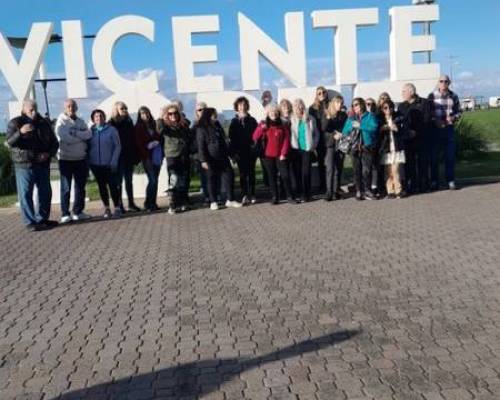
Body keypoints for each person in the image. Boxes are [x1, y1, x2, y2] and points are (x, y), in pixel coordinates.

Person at [6, 100, 59, 231]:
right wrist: (20, 132)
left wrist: (48, 154)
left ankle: (42, 219)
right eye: (31, 109)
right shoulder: (15, 123)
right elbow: (9, 142)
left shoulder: (44, 123)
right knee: (25, 194)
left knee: (45, 193)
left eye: (35, 108)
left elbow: (54, 142)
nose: (34, 112)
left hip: (42, 164)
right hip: (25, 165)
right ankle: (30, 222)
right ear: (24, 110)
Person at [196, 108, 242, 211]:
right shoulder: (201, 128)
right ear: (208, 115)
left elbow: (225, 141)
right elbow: (200, 145)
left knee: (229, 175)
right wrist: (203, 160)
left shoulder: (217, 125)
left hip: (223, 156)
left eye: (215, 114)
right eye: (213, 114)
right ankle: (213, 202)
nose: (215, 116)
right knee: (211, 179)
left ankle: (230, 199)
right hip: (210, 158)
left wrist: (231, 155)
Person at [55, 99, 92, 223]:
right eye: (68, 106)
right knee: (66, 188)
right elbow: (65, 138)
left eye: (73, 106)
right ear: (64, 108)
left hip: (80, 159)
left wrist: (75, 133)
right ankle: (65, 213)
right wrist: (80, 136)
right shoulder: (61, 122)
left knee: (80, 187)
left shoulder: (81, 121)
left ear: (76, 107)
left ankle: (78, 212)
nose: (71, 108)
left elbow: (88, 134)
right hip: (65, 160)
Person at [252, 104, 295, 205]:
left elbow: (286, 140)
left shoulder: (282, 124)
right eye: (271, 112)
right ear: (268, 113)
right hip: (267, 156)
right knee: (272, 177)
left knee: (285, 176)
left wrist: (283, 153)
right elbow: (254, 136)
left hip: (280, 155)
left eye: (275, 112)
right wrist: (262, 128)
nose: (274, 114)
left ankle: (289, 196)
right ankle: (275, 197)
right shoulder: (263, 123)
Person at [428, 75, 462, 190]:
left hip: (449, 129)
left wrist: (453, 118)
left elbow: (459, 112)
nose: (443, 83)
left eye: (445, 81)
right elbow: (428, 113)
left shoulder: (454, 96)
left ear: (449, 83)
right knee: (434, 157)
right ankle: (434, 181)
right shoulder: (432, 96)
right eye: (441, 81)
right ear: (438, 83)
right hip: (435, 130)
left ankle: (450, 180)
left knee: (450, 157)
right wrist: (435, 121)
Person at [342, 98, 379, 201]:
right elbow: (345, 131)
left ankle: (367, 190)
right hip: (354, 147)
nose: (356, 107)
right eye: (354, 105)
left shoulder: (370, 115)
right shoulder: (351, 118)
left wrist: (361, 126)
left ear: (362, 104)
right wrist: (350, 130)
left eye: (357, 104)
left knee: (366, 170)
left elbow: (374, 127)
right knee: (356, 170)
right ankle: (359, 191)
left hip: (366, 146)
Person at [398, 83, 432, 193]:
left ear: (411, 92)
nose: (402, 93)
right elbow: (400, 122)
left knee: (423, 163)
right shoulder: (401, 106)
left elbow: (427, 119)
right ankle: (413, 185)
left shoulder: (424, 103)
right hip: (408, 140)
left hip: (422, 138)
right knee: (410, 163)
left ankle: (424, 185)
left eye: (404, 91)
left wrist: (416, 132)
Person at [88, 109, 122, 218]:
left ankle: (117, 208)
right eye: (96, 116)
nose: (99, 118)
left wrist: (114, 161)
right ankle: (107, 208)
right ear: (93, 119)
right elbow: (87, 148)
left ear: (104, 117)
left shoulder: (112, 130)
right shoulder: (90, 132)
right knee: (102, 187)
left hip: (109, 164)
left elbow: (117, 146)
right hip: (96, 165)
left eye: (101, 116)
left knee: (113, 186)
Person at [159, 104, 192, 214]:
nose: (173, 115)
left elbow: (188, 132)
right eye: (170, 113)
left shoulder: (183, 124)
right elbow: (159, 129)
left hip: (184, 155)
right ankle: (172, 204)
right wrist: (162, 117)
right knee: (174, 179)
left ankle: (182, 202)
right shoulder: (164, 125)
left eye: (175, 113)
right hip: (172, 155)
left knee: (183, 179)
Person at [109, 101, 141, 212]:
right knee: (119, 182)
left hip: (129, 156)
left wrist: (135, 155)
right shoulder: (111, 123)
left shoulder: (129, 121)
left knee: (129, 181)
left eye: (126, 108)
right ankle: (120, 205)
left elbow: (133, 139)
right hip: (118, 157)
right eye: (122, 108)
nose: (125, 110)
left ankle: (131, 204)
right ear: (116, 110)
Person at [229, 96, 258, 204]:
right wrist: (233, 153)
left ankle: (253, 194)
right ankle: (244, 194)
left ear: (247, 106)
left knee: (251, 173)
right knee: (242, 174)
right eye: (240, 105)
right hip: (240, 153)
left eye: (244, 104)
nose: (242, 107)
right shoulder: (234, 122)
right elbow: (231, 138)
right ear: (237, 107)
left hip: (251, 152)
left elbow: (256, 136)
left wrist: (254, 147)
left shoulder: (252, 120)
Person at [289, 99, 319, 202]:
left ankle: (306, 194)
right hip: (295, 150)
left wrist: (313, 146)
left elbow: (316, 134)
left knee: (306, 172)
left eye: (301, 106)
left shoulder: (310, 119)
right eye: (297, 106)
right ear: (294, 108)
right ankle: (299, 193)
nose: (299, 108)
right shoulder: (291, 119)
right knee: (296, 173)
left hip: (307, 149)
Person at [135, 106, 163, 212]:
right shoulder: (138, 127)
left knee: (155, 180)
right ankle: (148, 203)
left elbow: (158, 136)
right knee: (152, 180)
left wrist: (156, 140)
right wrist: (147, 148)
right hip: (146, 157)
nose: (145, 115)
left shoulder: (153, 124)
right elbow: (138, 143)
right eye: (142, 113)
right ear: (139, 115)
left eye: (146, 113)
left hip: (156, 156)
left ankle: (153, 203)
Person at [322, 96, 348, 201]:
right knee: (330, 168)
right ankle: (329, 192)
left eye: (341, 103)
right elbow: (324, 128)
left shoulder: (343, 115)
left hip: (341, 143)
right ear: (333, 103)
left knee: (339, 168)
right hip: (330, 144)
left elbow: (346, 128)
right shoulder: (327, 113)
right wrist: (333, 133)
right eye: (338, 103)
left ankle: (336, 191)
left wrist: (341, 133)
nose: (340, 105)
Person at [379, 100, 406, 199]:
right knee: (388, 171)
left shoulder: (398, 118)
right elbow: (378, 132)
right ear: (382, 109)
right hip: (386, 148)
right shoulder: (380, 119)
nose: (388, 110)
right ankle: (390, 191)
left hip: (396, 147)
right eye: (385, 108)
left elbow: (403, 130)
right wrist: (382, 129)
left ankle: (398, 190)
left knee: (396, 170)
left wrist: (396, 128)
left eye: (390, 107)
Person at [308, 86, 329, 192]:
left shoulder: (330, 105)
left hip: (329, 137)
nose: (322, 94)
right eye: (319, 93)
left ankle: (331, 185)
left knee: (330, 163)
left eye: (323, 92)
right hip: (319, 138)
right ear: (316, 95)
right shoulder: (312, 108)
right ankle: (323, 185)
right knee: (321, 162)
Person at [191, 102, 211, 204]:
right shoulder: (195, 126)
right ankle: (207, 197)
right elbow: (193, 143)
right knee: (205, 177)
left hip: (213, 155)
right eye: (199, 110)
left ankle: (215, 196)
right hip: (201, 156)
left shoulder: (212, 123)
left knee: (214, 176)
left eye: (203, 109)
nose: (202, 111)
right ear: (196, 112)